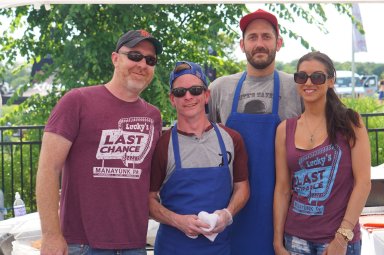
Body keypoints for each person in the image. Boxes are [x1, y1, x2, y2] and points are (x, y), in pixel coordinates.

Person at [36, 29, 163, 255]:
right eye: (134, 56)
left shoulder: (153, 116)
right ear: (115, 59)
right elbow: (48, 169)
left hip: (134, 244)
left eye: (150, 60)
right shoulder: (77, 101)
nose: (142, 64)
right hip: (83, 244)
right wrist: (51, 235)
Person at [208, 8, 302, 255]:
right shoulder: (219, 88)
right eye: (252, 37)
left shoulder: (299, 87)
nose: (259, 44)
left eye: (266, 37)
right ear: (242, 44)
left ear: (278, 43)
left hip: (287, 210)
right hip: (232, 210)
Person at [273, 51, 371, 255]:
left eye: (317, 77)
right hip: (295, 239)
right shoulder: (285, 129)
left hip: (337, 241)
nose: (308, 82)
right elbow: (282, 189)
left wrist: (342, 238)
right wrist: (277, 242)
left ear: (330, 81)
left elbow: (363, 183)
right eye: (301, 77)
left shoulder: (350, 122)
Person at [149, 61, 250, 255]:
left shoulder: (232, 139)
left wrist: (227, 214)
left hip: (218, 249)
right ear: (172, 99)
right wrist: (178, 221)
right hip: (172, 248)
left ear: (206, 95)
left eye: (195, 90)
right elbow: (148, 200)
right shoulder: (162, 145)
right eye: (180, 92)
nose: (188, 96)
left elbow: (242, 187)